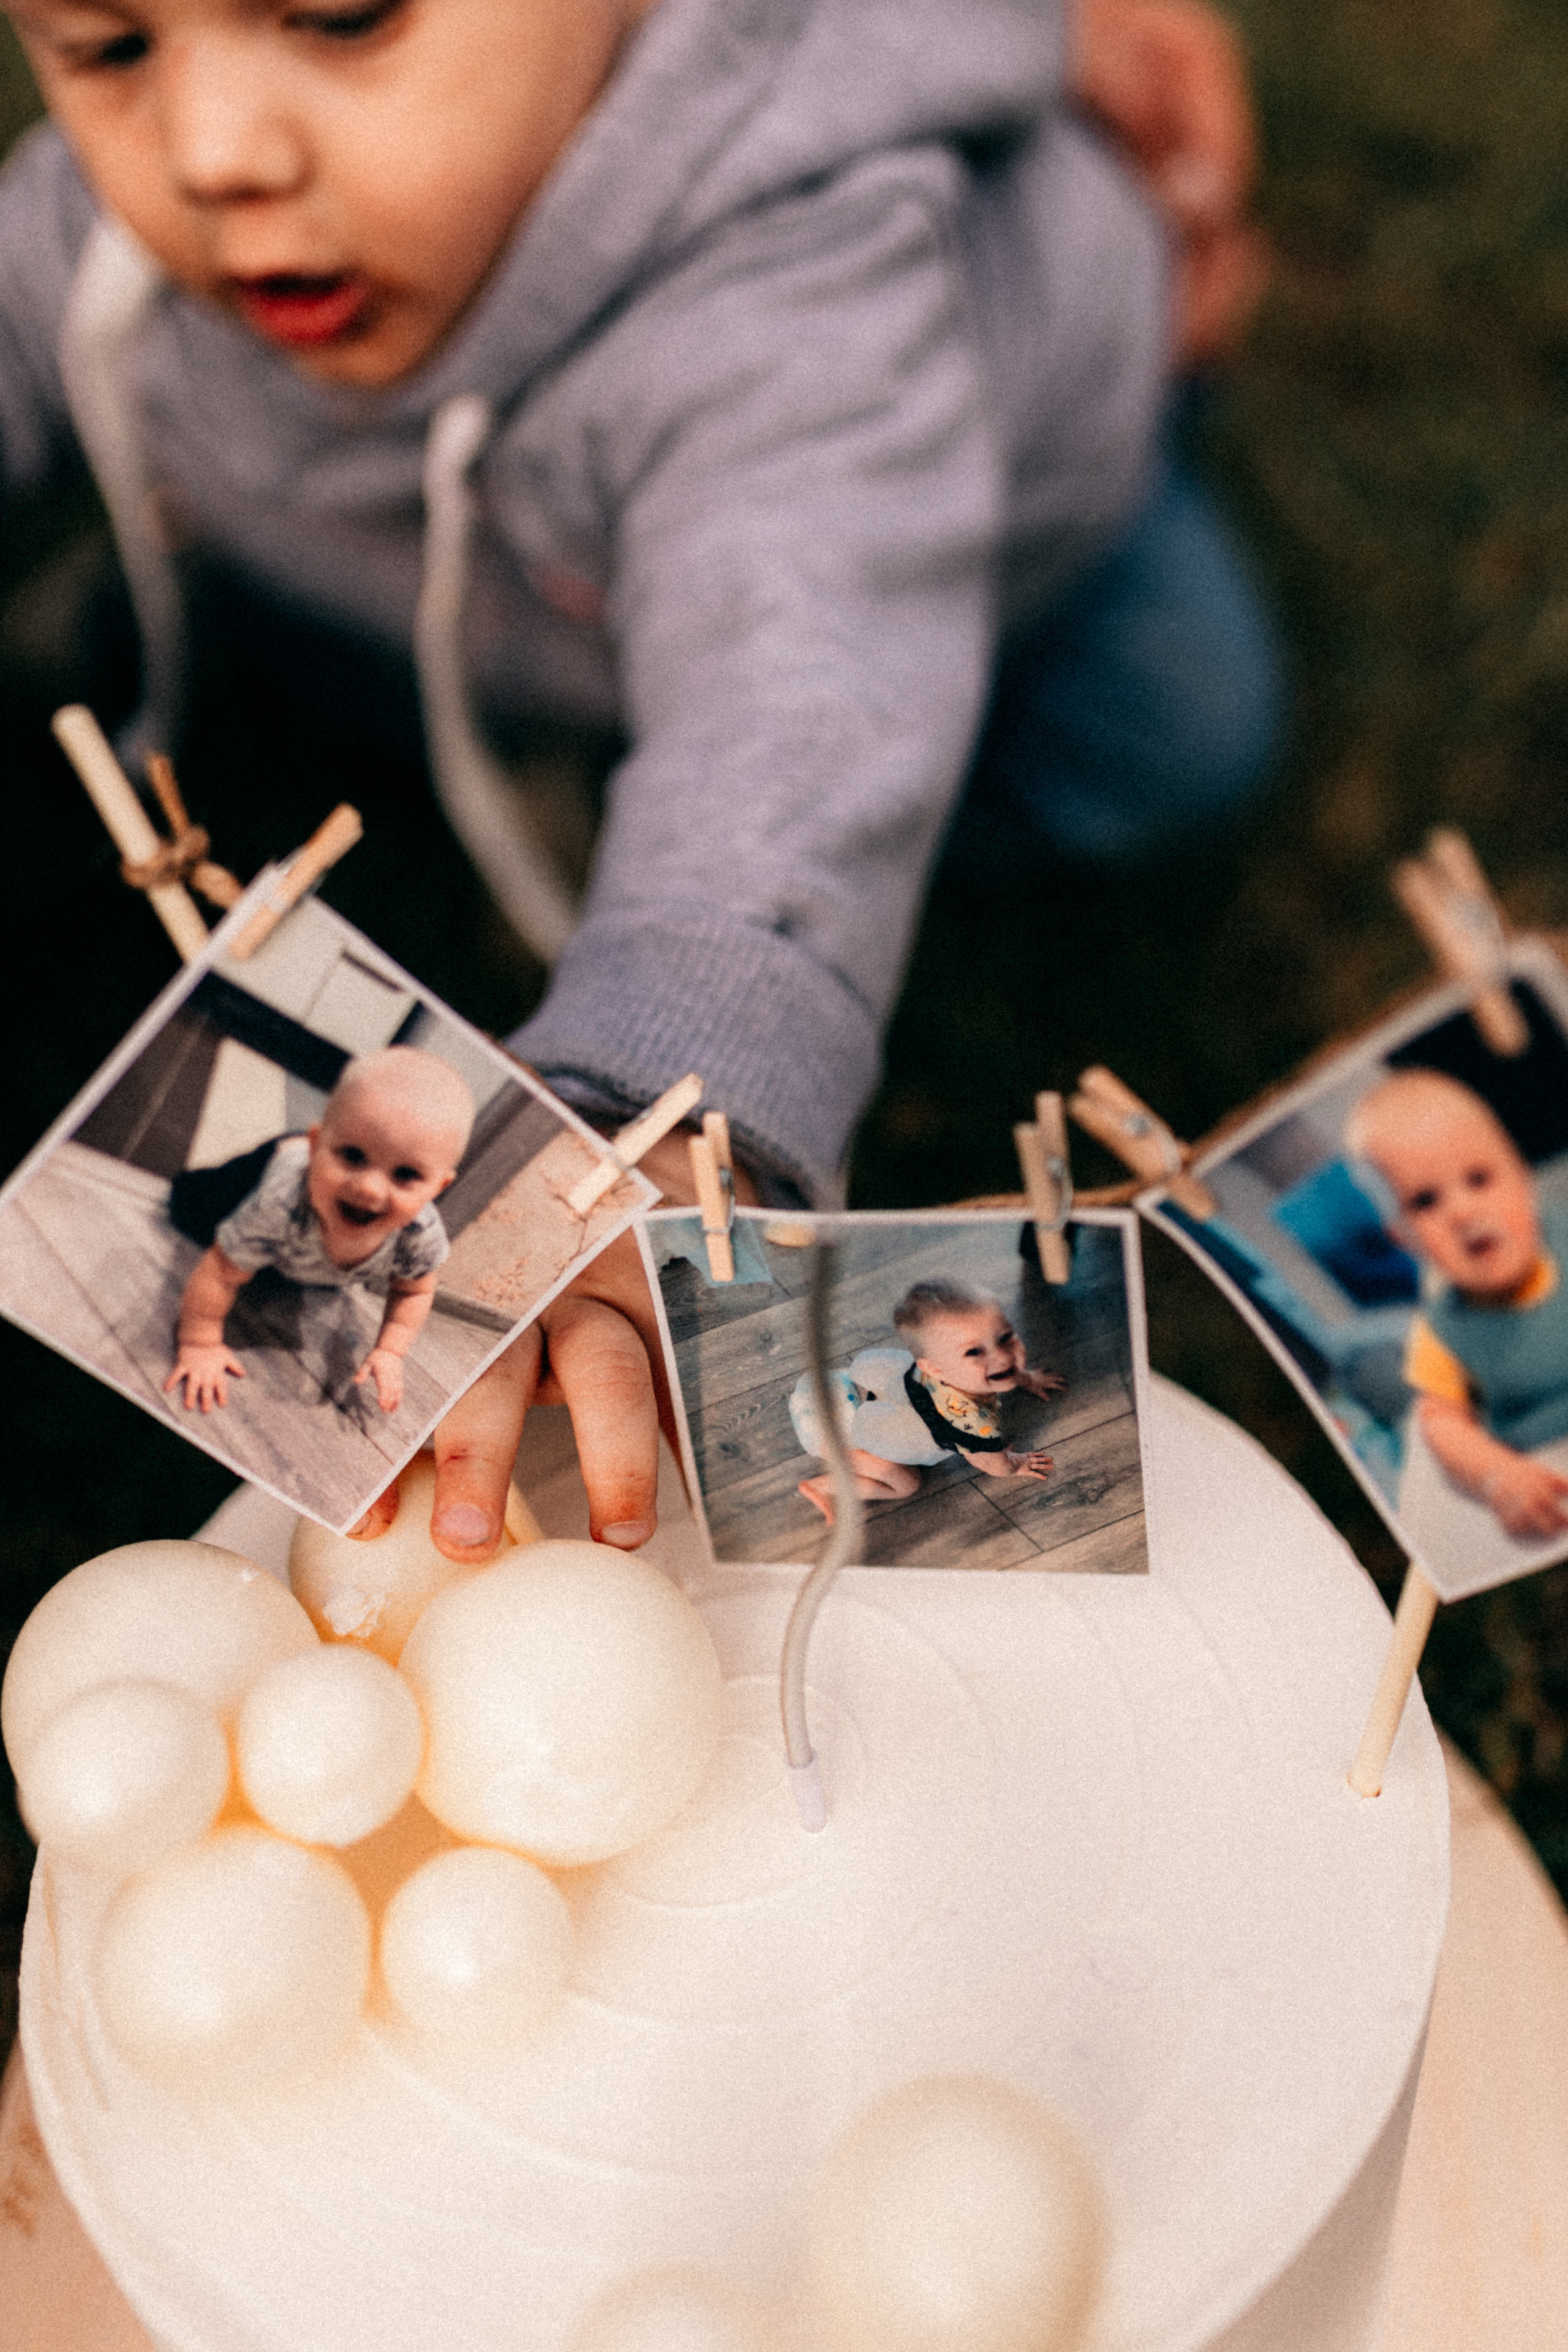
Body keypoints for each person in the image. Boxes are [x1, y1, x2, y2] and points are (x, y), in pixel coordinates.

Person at [0, 0, 1274, 1558]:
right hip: (452, 573)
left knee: (1170, 736)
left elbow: (802, 713)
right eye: (105, 47)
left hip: (953, 531)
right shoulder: (135, 219)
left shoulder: (796, 280)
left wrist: (642, 1111)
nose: (211, 154)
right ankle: (341, 641)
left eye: (341, 15)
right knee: (365, 636)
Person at [164, 1046, 473, 1418]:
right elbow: (218, 1272)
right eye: (354, 1156)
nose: (370, 1189)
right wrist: (199, 1343)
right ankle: (283, 1159)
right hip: (264, 1176)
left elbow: (415, 1291)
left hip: (309, 1211)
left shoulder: (419, 1234)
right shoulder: (281, 1204)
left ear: (437, 1189)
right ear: (317, 1145)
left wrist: (391, 1350)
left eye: (405, 1175)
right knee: (188, 1209)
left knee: (284, 1270)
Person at [1346, 1069, 1568, 1540]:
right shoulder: (1444, 1328)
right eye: (1425, 1201)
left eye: (1480, 1178)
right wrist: (1497, 1477)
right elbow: (1443, 1425)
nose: (1463, 1211)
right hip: (1549, 1479)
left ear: (1523, 1178)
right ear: (1403, 1239)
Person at [792, 1278, 1064, 1523]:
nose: (1002, 1357)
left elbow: (1005, 1370)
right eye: (974, 1352)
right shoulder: (972, 1424)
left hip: (837, 1387)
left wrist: (1026, 1378)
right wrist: (1014, 1465)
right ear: (933, 1368)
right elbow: (994, 1464)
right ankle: (823, 1486)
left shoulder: (939, 1364)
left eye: (1005, 1337)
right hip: (835, 1432)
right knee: (906, 1485)